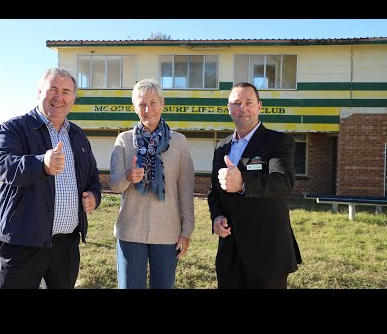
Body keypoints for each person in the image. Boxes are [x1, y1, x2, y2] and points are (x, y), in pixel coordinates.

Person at [0, 67, 102, 289]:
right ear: (39, 91)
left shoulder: (78, 135)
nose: (59, 97)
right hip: (23, 242)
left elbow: (92, 176)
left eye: (66, 91)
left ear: (73, 98)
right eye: (53, 89)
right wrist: (41, 163)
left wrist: (94, 196)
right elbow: (1, 165)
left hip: (66, 245)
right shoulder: (14, 128)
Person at [208, 82, 302, 289]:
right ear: (229, 108)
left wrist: (243, 182)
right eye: (236, 103)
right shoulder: (221, 147)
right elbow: (215, 192)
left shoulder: (277, 142)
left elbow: (284, 183)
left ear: (259, 106)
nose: (243, 108)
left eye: (248, 102)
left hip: (267, 252)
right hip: (230, 252)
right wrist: (217, 216)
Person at [109, 78, 195, 289]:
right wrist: (127, 177)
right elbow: (114, 185)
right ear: (134, 108)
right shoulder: (124, 140)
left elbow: (185, 189)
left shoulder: (179, 142)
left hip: (167, 232)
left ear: (162, 104)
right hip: (130, 231)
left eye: (153, 102)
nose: (148, 109)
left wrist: (187, 230)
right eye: (142, 104)